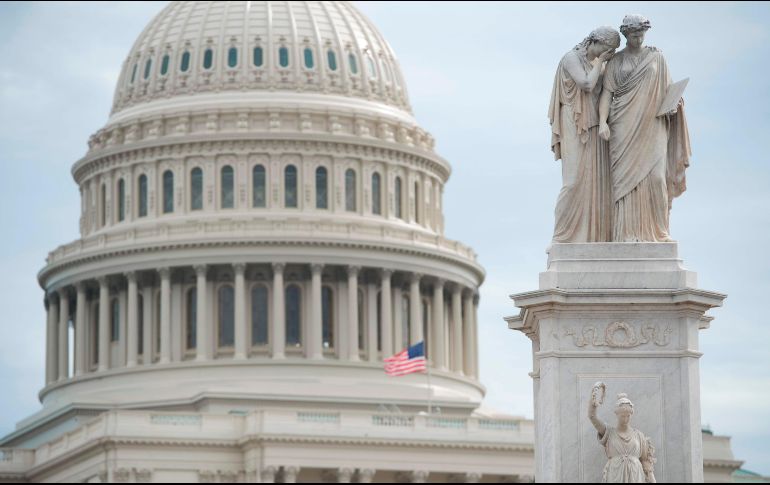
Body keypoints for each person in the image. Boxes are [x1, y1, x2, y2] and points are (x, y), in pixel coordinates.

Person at [598, 14, 691, 242]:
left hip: (653, 123)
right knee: (624, 183)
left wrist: (674, 104)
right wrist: (602, 122)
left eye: (641, 35)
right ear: (626, 35)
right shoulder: (616, 62)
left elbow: (669, 90)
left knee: (657, 178)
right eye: (634, 36)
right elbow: (607, 94)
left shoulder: (657, 58)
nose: (638, 39)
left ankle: (659, 232)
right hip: (622, 124)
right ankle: (626, 234)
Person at [548, 26, 620, 243]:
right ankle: (561, 237)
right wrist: (601, 62)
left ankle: (593, 237)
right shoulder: (571, 58)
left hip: (595, 124)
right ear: (595, 42)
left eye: (613, 51)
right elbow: (587, 84)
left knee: (596, 182)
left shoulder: (602, 63)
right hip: (574, 120)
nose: (610, 54)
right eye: (608, 49)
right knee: (572, 182)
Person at [588, 383, 656, 483]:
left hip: (635, 476)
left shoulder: (639, 435)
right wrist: (593, 401)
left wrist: (652, 480)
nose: (625, 419)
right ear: (617, 414)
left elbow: (646, 462)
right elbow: (592, 417)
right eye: (622, 416)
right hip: (615, 475)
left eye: (628, 416)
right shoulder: (609, 433)